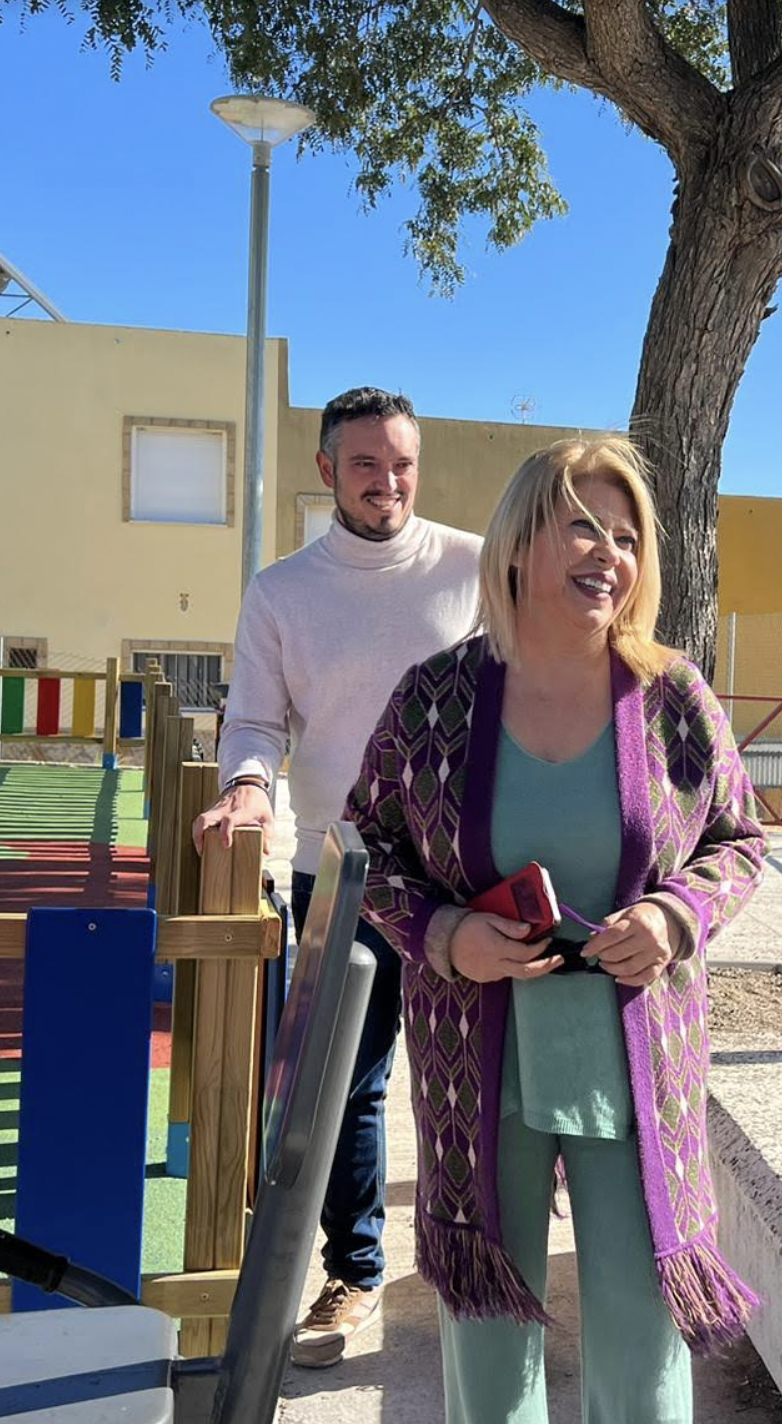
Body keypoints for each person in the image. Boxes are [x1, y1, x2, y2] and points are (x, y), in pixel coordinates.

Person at [342, 435, 765, 1423]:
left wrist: (674, 914)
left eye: (626, 536)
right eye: (583, 523)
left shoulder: (670, 697)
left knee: (639, 1328)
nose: (608, 553)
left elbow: (739, 840)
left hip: (633, 1060)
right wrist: (444, 933)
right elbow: (365, 840)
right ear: (520, 541)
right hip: (476, 1059)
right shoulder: (435, 697)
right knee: (489, 1339)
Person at [193, 386, 483, 1366]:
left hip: (464, 876)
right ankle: (354, 1272)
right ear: (326, 471)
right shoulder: (282, 591)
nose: (386, 481)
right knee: (346, 1086)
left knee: (475, 1075)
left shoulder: (474, 566)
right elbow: (255, 721)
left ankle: (479, 1262)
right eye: (365, 465)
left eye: (401, 463)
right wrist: (245, 786)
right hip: (341, 871)